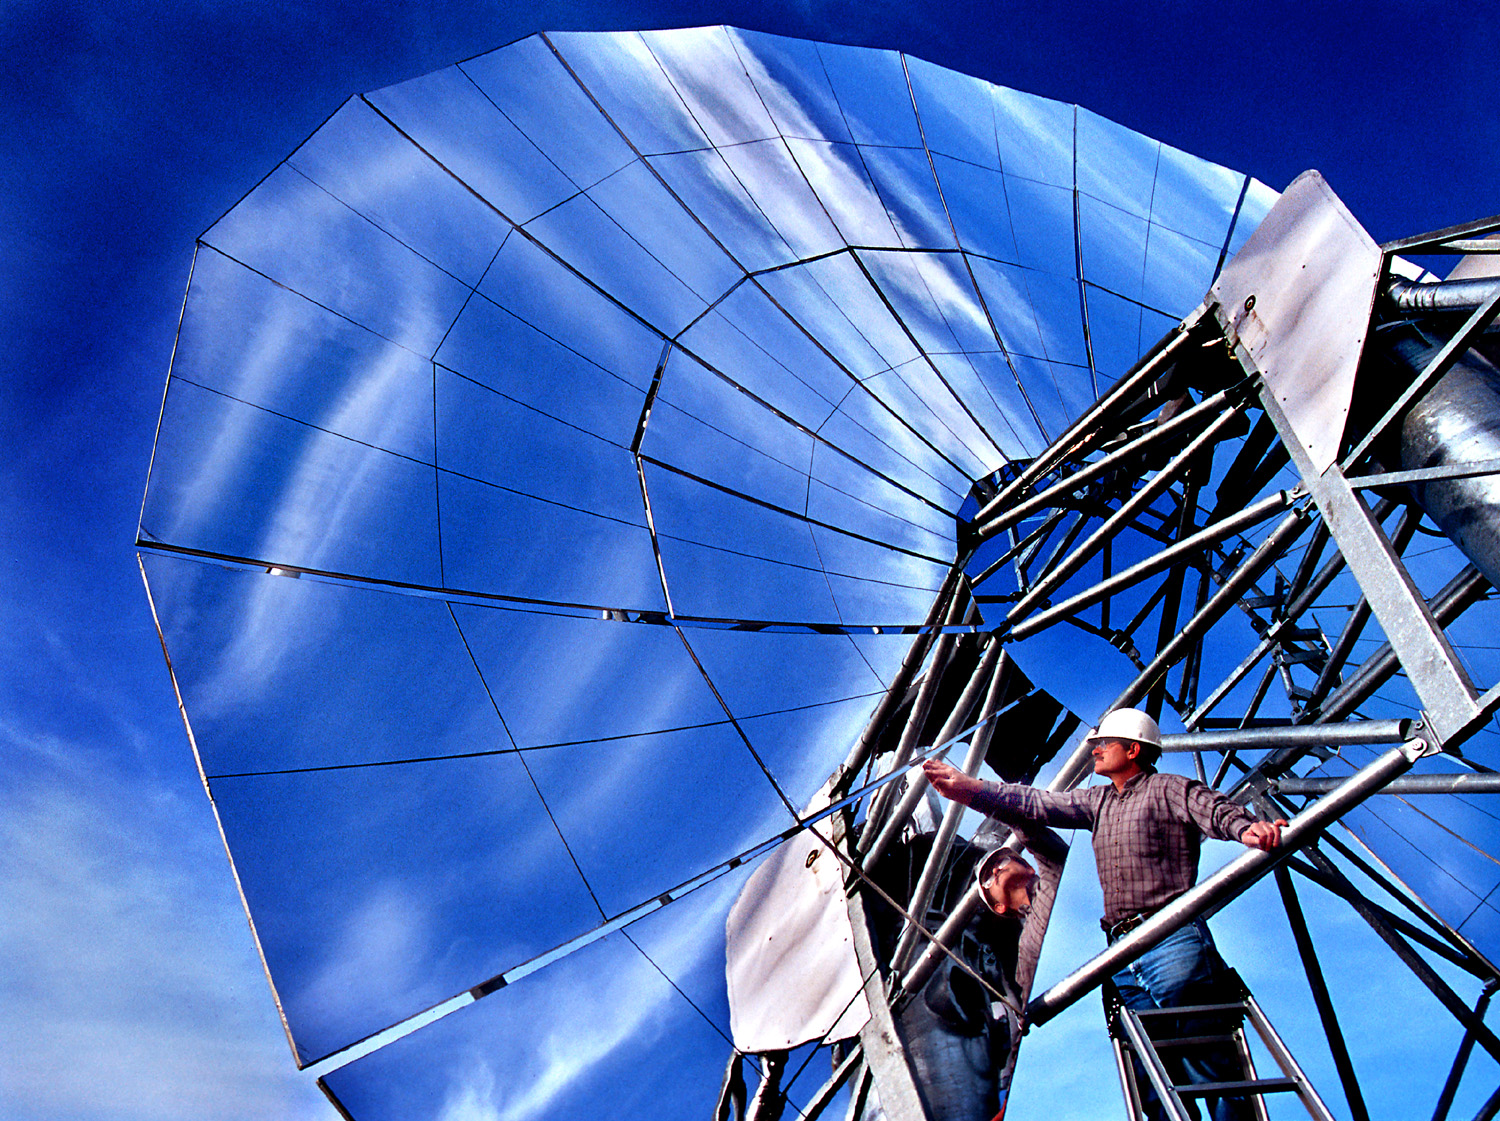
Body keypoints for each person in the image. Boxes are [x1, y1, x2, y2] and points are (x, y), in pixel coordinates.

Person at [922, 707, 1286, 1121]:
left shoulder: (1169, 789)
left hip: (1169, 934)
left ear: (1132, 750)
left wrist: (1245, 828)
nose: (1093, 750)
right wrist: (974, 791)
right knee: (1150, 1074)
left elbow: (1214, 809)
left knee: (1206, 1054)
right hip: (1120, 953)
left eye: (1102, 744)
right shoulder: (1098, 803)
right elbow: (1040, 803)